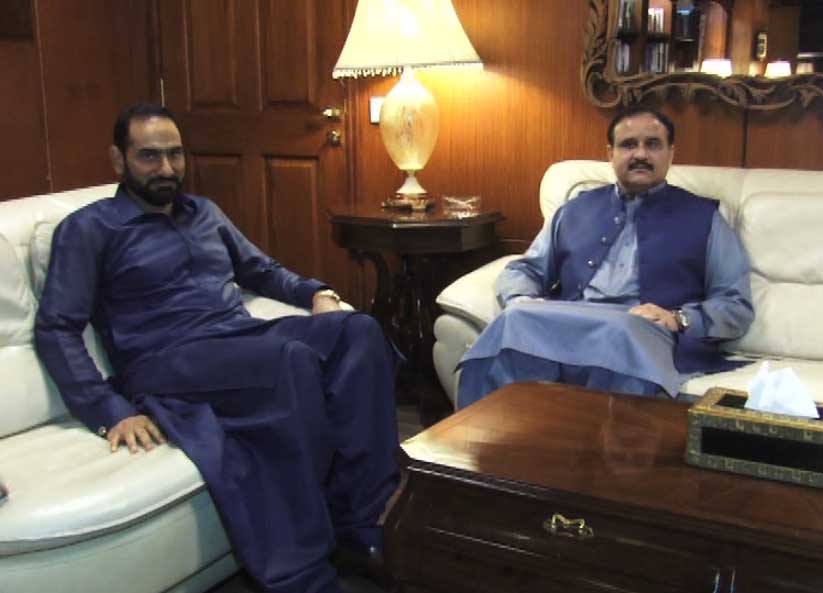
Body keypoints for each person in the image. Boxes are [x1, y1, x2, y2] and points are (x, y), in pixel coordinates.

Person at [34, 103, 399, 593]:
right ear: (119, 160)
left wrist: (317, 293)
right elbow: (56, 328)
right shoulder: (89, 229)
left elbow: (261, 271)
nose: (167, 168)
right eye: (149, 156)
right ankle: (304, 566)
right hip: (164, 359)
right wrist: (109, 411)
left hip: (238, 339)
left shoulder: (204, 213)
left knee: (359, 331)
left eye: (175, 154)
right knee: (289, 360)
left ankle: (359, 523)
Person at [457, 107, 754, 408]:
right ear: (610, 153)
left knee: (622, 332)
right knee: (514, 319)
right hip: (570, 320)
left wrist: (678, 318)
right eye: (628, 145)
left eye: (653, 144)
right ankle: (480, 435)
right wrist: (521, 298)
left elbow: (735, 305)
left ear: (670, 153)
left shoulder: (703, 217)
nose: (641, 154)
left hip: (643, 330)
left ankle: (597, 441)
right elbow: (524, 270)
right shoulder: (574, 210)